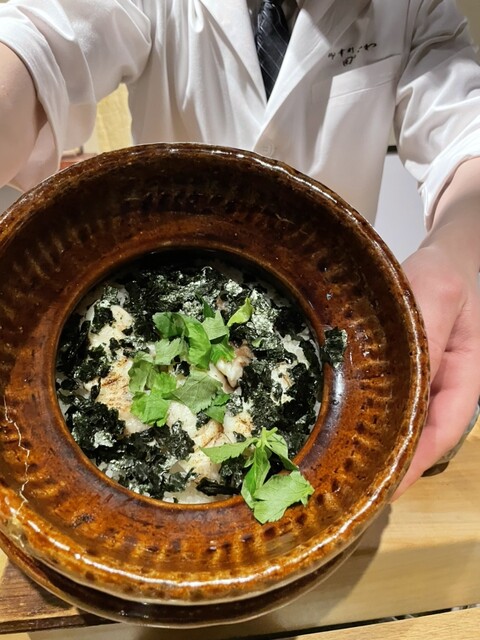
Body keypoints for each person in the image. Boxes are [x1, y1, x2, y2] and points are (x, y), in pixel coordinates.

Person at [0, 0, 479, 499]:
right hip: (156, 271)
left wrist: (454, 250)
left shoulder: (414, 7)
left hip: (325, 322)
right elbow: (42, 41)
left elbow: (466, 130)